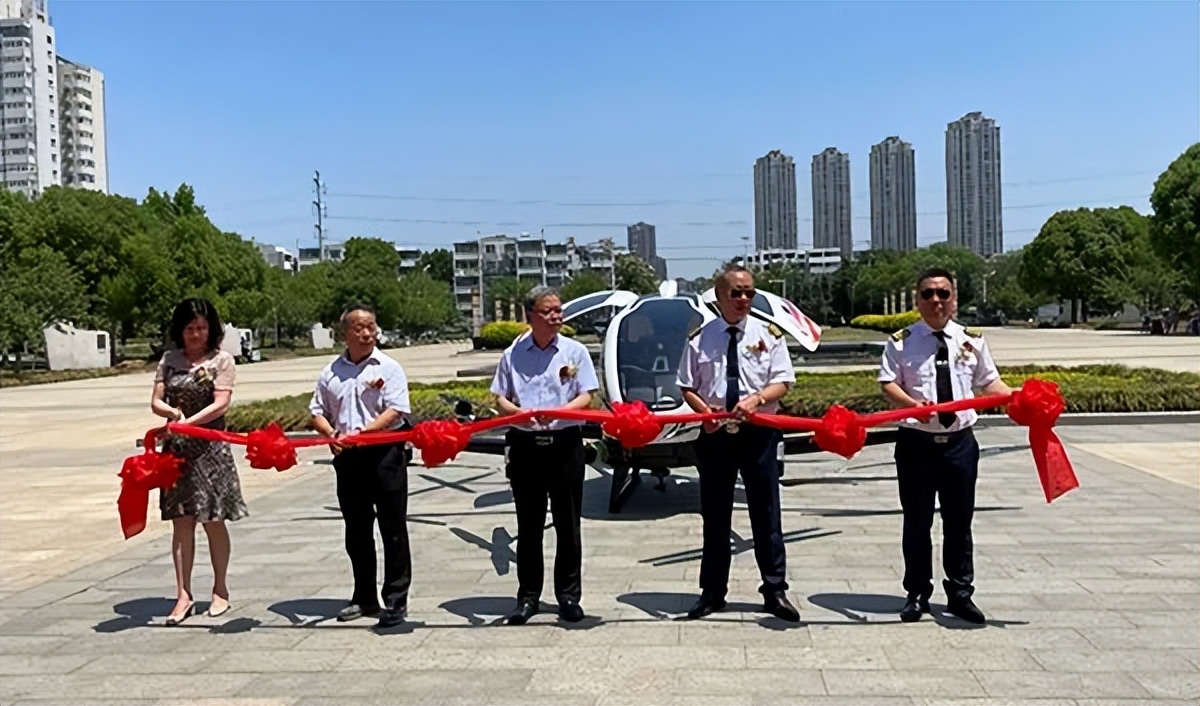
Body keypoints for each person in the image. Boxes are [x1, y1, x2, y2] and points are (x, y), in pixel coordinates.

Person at [878, 267, 1012, 624]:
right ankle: (917, 592)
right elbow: (887, 383)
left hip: (959, 445)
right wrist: (910, 405)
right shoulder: (901, 341)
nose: (935, 301)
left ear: (954, 299)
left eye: (943, 294)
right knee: (917, 521)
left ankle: (960, 593)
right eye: (927, 294)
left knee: (958, 520)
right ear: (916, 301)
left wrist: (1020, 398)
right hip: (916, 443)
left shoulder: (973, 340)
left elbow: (990, 383)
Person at [675, 264, 800, 622]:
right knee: (715, 516)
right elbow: (686, 384)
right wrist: (705, 414)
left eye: (749, 292)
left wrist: (757, 399)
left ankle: (774, 590)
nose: (744, 299)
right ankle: (713, 592)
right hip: (715, 436)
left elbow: (783, 382)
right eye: (736, 292)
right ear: (719, 297)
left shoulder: (770, 334)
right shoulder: (701, 337)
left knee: (766, 514)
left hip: (758, 432)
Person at [490, 285, 600, 625]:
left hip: (564, 444)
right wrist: (518, 413)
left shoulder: (574, 351)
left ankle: (568, 596)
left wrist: (561, 412)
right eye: (549, 311)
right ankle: (528, 597)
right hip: (525, 448)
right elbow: (500, 398)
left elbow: (588, 396)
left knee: (568, 524)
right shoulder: (513, 353)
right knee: (529, 524)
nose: (557, 316)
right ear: (531, 316)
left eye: (559, 310)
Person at [310, 304, 413, 628]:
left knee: (393, 529)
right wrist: (331, 434)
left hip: (384, 454)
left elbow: (397, 410)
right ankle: (364, 597)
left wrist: (362, 433)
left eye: (371, 326)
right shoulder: (331, 372)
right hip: (348, 458)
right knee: (357, 531)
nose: (367, 333)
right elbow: (317, 412)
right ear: (346, 333)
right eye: (359, 328)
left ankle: (396, 601)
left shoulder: (389, 367)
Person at [151, 298, 247, 625]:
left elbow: (221, 403)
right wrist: (172, 415)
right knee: (181, 522)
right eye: (190, 328)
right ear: (180, 329)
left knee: (213, 518)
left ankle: (220, 589)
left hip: (210, 449)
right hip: (176, 451)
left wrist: (190, 422)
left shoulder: (222, 360)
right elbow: (156, 402)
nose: (196, 334)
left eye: (202, 328)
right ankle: (183, 594)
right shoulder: (169, 360)